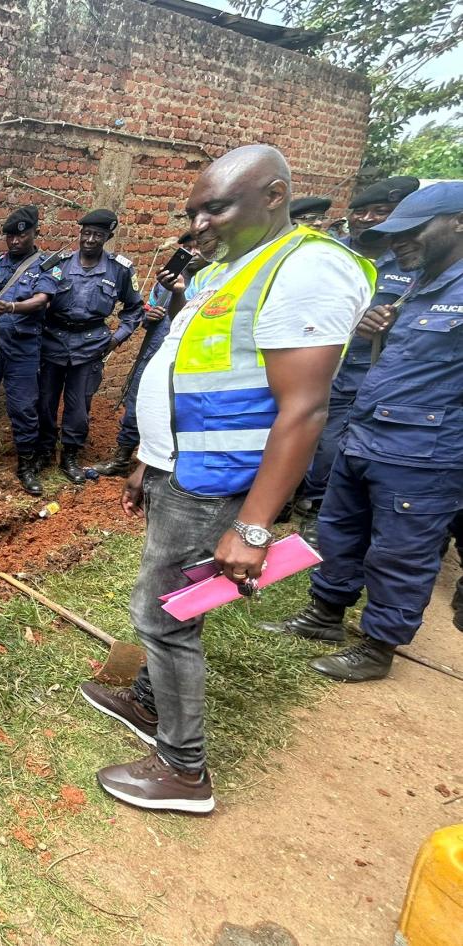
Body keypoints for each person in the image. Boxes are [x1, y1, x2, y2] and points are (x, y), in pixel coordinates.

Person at [78, 145, 373, 814]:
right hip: (182, 469)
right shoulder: (228, 271)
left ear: (274, 195)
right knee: (171, 604)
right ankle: (151, 703)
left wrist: (253, 526)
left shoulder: (305, 269)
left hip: (219, 484)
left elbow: (304, 408)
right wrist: (148, 460)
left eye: (216, 207)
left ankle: (183, 772)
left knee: (164, 616)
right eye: (194, 211)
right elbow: (191, 370)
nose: (201, 223)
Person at [261, 182, 463, 681]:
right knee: (338, 532)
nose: (398, 243)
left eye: (413, 231)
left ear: (457, 222)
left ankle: (378, 646)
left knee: (401, 550)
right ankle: (324, 615)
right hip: (366, 434)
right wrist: (378, 328)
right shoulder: (421, 284)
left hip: (423, 454)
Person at [292, 176, 420, 543]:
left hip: (369, 370)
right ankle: (291, 495)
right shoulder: (331, 251)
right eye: (360, 211)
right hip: (316, 360)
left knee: (337, 443)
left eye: (380, 212)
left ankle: (318, 510)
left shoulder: (411, 261)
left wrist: (388, 325)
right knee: (298, 428)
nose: (367, 219)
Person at [36, 209, 144, 484]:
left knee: (79, 404)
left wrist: (116, 338)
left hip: (90, 345)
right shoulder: (58, 264)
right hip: (54, 341)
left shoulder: (119, 269)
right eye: (86, 233)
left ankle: (69, 456)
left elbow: (134, 309)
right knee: (46, 400)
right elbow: (38, 299)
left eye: (98, 235)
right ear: (80, 234)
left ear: (107, 237)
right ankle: (45, 450)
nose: (91, 240)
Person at [94, 232, 210, 477]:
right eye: (188, 248)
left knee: (176, 411)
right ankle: (123, 458)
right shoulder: (167, 281)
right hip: (154, 351)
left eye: (198, 247)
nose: (193, 254)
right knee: (138, 402)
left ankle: (167, 466)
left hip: (189, 358)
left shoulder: (212, 281)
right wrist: (150, 317)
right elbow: (146, 313)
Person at [0, 205, 65, 495]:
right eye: (10, 237)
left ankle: (26, 466)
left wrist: (13, 307)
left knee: (23, 408)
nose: (15, 241)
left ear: (34, 233)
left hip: (24, 349)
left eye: (22, 235)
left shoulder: (46, 265)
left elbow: (41, 299)